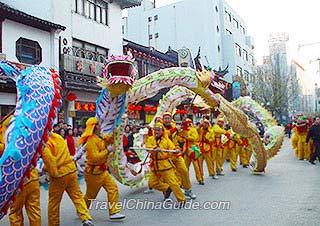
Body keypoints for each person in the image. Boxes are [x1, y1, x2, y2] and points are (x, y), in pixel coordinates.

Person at [42, 131, 94, 226]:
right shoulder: (57, 137)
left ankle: (54, 223)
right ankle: (85, 218)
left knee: (54, 202)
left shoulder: (45, 143)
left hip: (59, 174)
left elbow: (50, 160)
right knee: (77, 196)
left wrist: (51, 173)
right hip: (70, 170)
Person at [78, 117, 125, 220]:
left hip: (102, 171)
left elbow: (109, 140)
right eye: (98, 124)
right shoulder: (91, 141)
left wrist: (114, 133)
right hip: (93, 173)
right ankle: (81, 209)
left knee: (113, 188)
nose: (100, 125)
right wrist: (107, 150)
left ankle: (114, 212)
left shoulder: (101, 135)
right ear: (95, 127)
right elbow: (95, 157)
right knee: (91, 195)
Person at [146, 122, 186, 205]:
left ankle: (181, 200)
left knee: (173, 183)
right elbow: (148, 147)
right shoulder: (150, 139)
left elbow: (172, 149)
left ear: (162, 131)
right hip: (155, 166)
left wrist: (175, 151)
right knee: (151, 183)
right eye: (155, 130)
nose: (156, 132)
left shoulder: (166, 140)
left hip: (165, 165)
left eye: (158, 130)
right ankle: (167, 188)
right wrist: (154, 148)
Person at [162, 112, 196, 198]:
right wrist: (175, 129)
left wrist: (184, 127)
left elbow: (183, 136)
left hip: (176, 152)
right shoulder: (160, 127)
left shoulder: (174, 127)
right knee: (167, 175)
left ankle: (188, 190)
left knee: (184, 170)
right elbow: (165, 134)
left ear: (171, 119)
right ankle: (167, 193)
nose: (166, 120)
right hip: (165, 155)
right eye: (165, 118)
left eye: (168, 118)